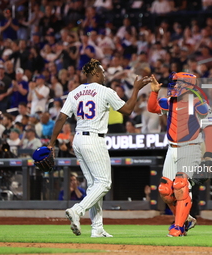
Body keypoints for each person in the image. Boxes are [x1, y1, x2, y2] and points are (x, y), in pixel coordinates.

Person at [47, 58, 152, 237]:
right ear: (95, 73)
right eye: (102, 72)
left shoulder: (75, 92)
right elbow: (127, 110)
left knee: (93, 186)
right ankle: (77, 210)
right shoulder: (104, 91)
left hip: (78, 139)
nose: (104, 75)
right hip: (94, 139)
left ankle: (97, 228)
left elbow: (61, 118)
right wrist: (135, 89)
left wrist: (51, 143)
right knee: (104, 183)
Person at [148, 72, 212, 237]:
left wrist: (208, 155)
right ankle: (186, 219)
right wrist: (154, 91)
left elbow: (210, 131)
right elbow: (152, 108)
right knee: (165, 190)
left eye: (177, 83)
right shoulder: (170, 102)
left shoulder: (200, 104)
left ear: (188, 85)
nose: (174, 86)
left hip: (190, 147)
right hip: (172, 148)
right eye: (174, 83)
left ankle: (178, 227)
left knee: (180, 185)